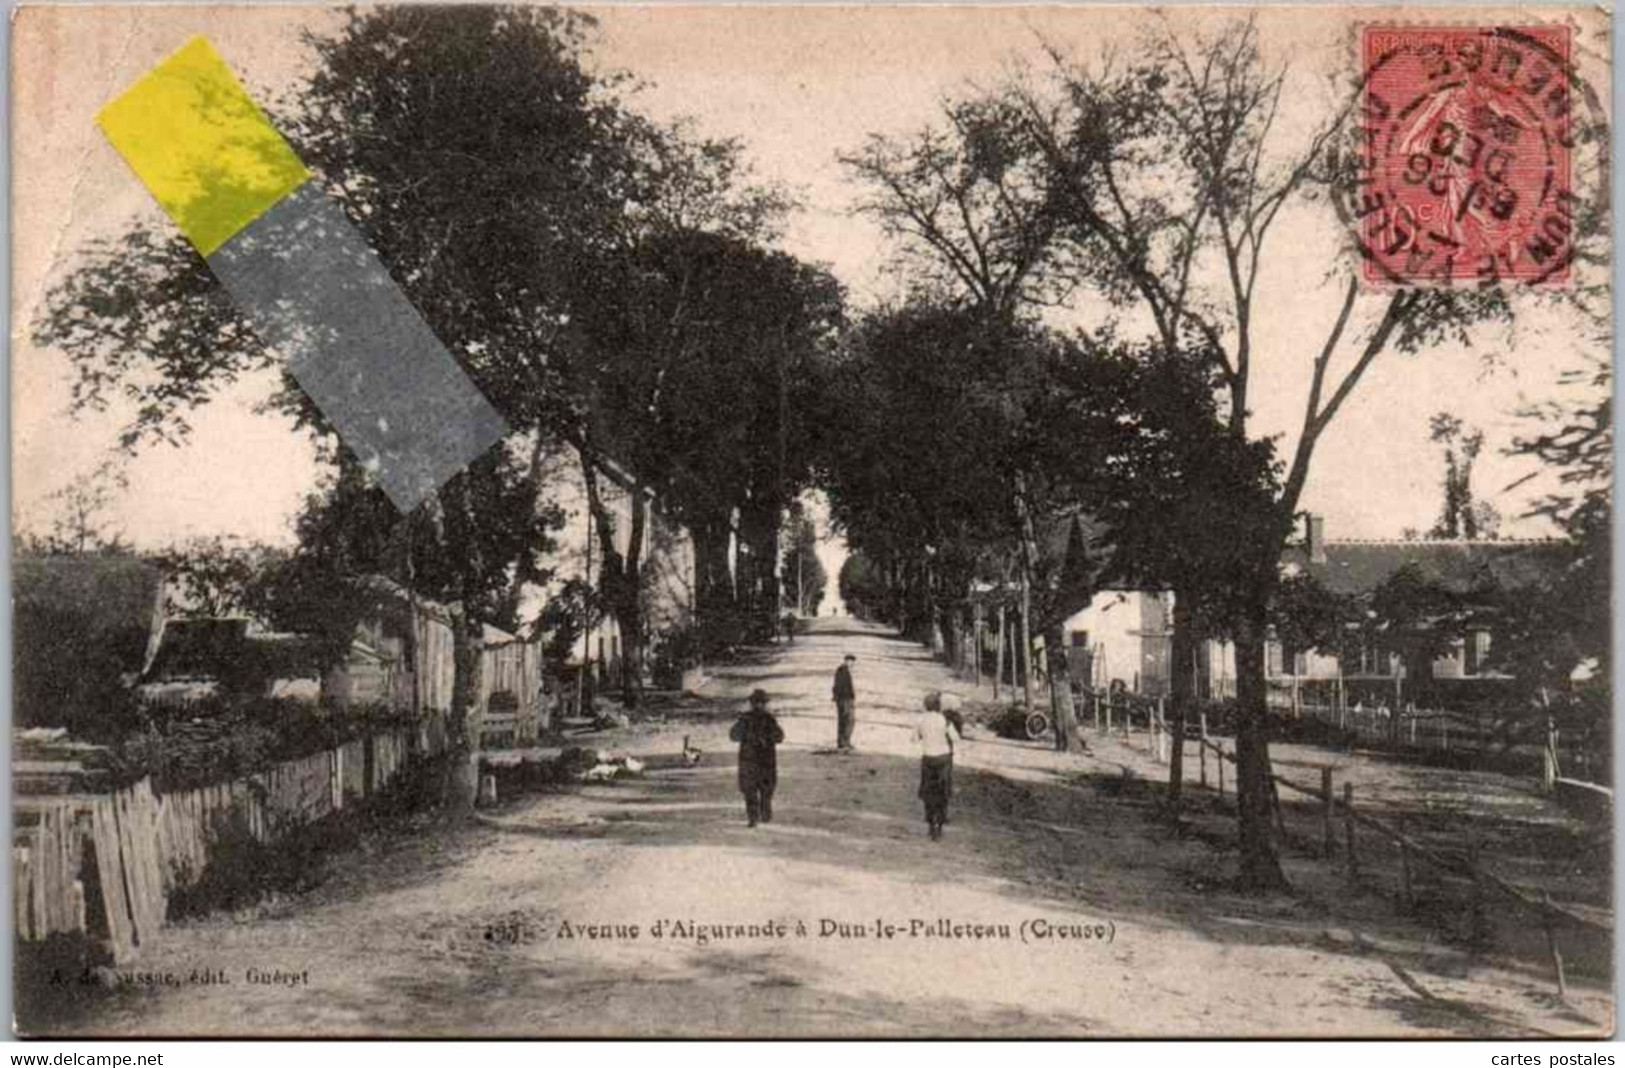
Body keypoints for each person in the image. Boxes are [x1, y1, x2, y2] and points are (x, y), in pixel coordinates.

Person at [730, 689, 784, 827]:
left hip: (750, 760)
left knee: (751, 790)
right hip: (765, 760)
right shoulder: (769, 719)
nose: (759, 705)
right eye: (759, 702)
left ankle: (754, 816)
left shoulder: (745, 719)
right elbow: (779, 737)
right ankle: (763, 813)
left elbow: (733, 735)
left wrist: (748, 736)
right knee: (764, 788)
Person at [915, 691, 961, 840]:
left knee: (928, 792)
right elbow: (956, 738)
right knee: (942, 792)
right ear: (939, 706)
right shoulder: (944, 720)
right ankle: (940, 826)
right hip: (943, 758)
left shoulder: (921, 720)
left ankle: (930, 825)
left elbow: (914, 738)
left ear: (926, 706)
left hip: (928, 758)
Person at [832, 654, 857, 751]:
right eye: (851, 662)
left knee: (844, 721)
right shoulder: (843, 670)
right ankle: (845, 742)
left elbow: (836, 686)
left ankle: (842, 742)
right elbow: (840, 686)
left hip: (843, 699)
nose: (852, 664)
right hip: (845, 699)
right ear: (847, 660)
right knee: (849, 720)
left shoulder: (842, 670)